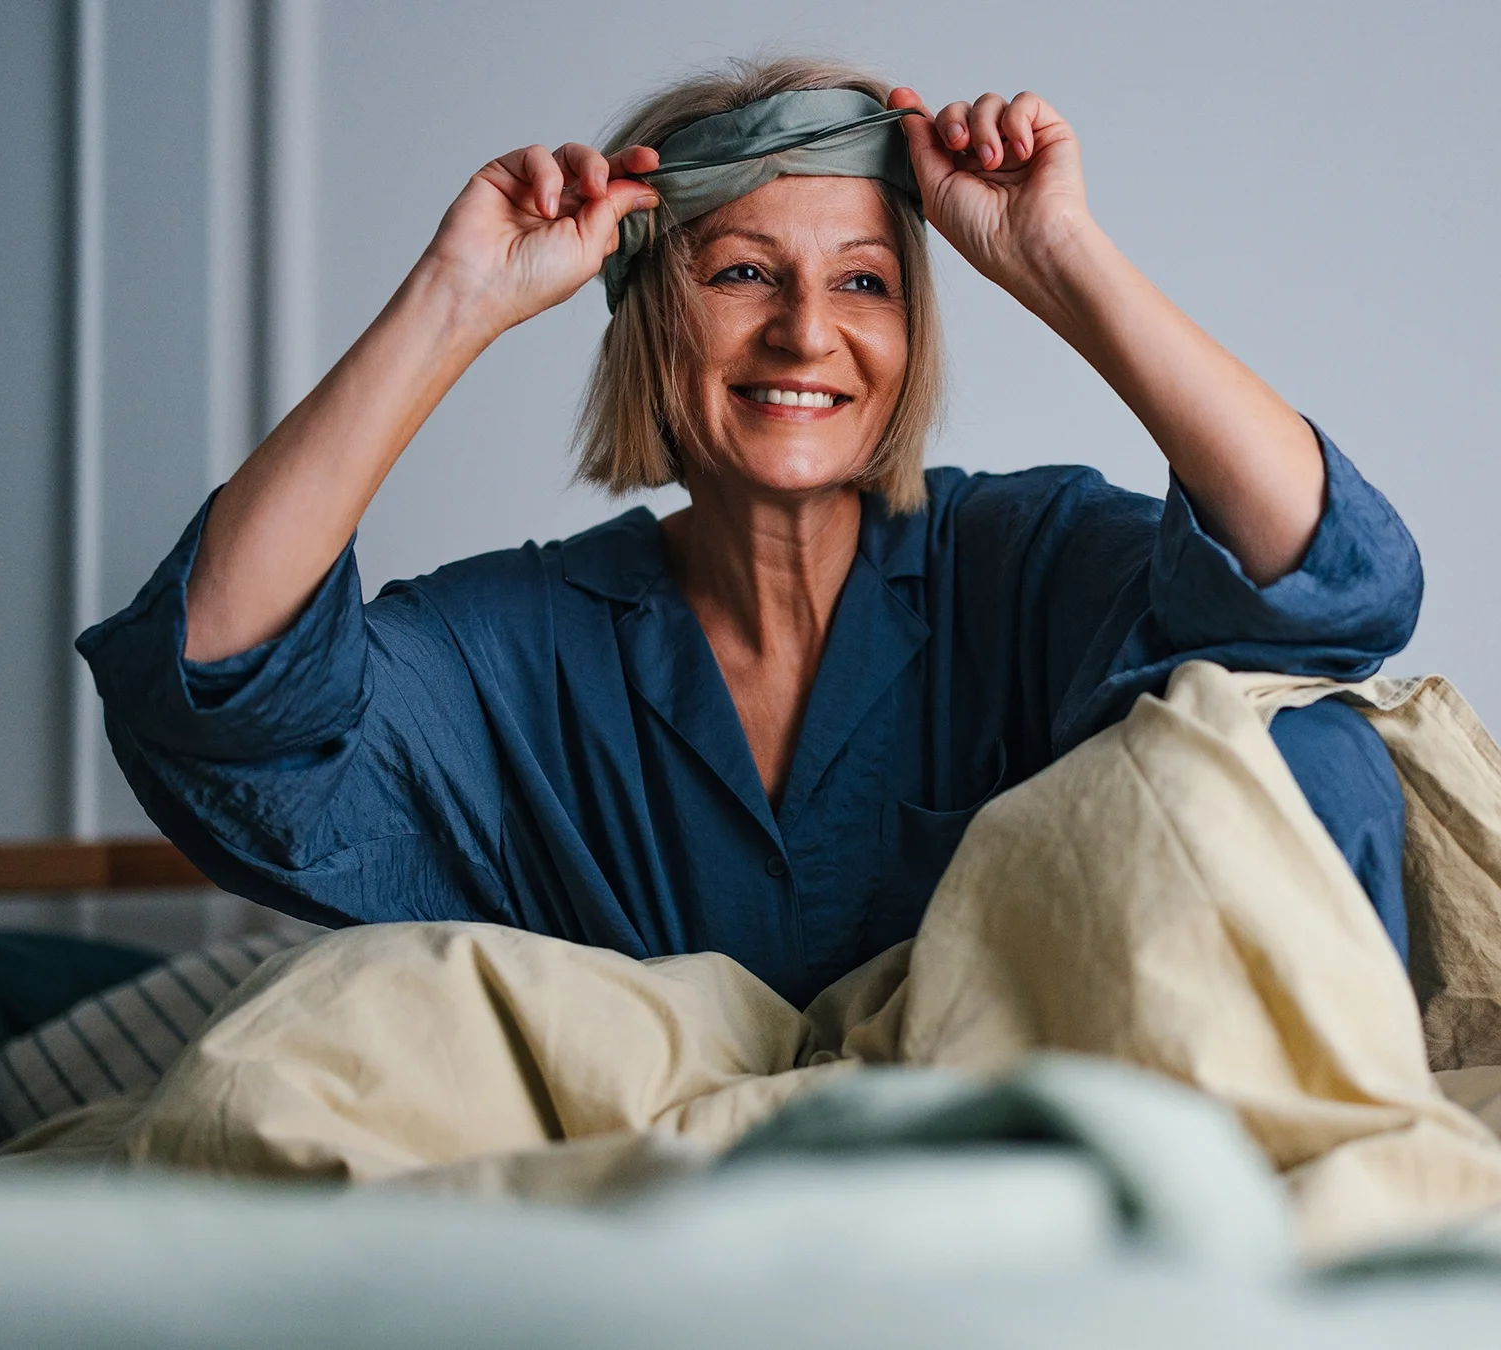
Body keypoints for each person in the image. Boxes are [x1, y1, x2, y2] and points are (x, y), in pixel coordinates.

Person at [79, 56, 1422, 1010]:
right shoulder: (522, 645)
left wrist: (1060, 256)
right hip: (670, 1208)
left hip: (1027, 1168)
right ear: (655, 315)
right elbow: (216, 686)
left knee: (1314, 753)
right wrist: (453, 301)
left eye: (862, 281)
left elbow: (1326, 578)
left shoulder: (1018, 556)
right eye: (739, 272)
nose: (805, 331)